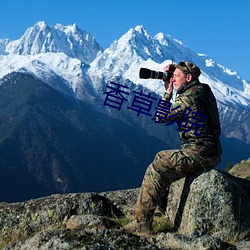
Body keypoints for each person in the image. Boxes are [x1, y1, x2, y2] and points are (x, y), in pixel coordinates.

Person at [124, 61, 222, 233]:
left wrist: (167, 92)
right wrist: (174, 73)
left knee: (157, 168)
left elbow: (162, 117)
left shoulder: (188, 97)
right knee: (161, 156)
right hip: (208, 150)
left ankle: (141, 224)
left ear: (189, 78)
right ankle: (162, 210)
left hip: (200, 153)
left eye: (177, 77)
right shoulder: (202, 89)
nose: (173, 79)